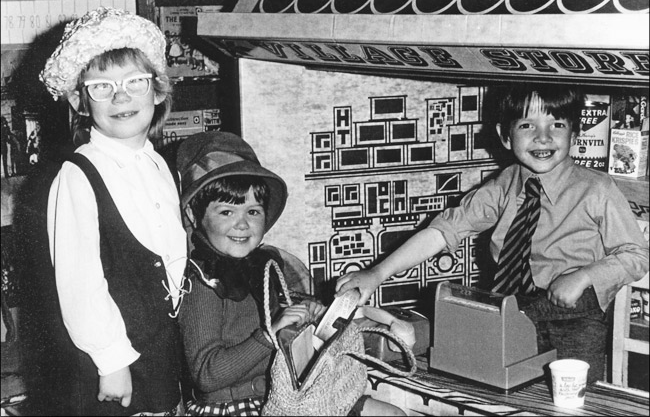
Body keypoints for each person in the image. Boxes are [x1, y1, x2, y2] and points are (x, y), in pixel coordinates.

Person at [336, 84, 649, 384]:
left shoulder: (598, 189)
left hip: (573, 317)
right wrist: (376, 273)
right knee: (498, 389)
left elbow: (636, 256)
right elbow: (443, 231)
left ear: (575, 135)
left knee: (569, 398)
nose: (543, 137)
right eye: (527, 125)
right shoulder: (504, 185)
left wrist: (585, 277)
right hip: (509, 305)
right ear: (505, 136)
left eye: (557, 125)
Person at [177, 131, 406, 416]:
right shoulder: (202, 282)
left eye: (253, 211)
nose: (242, 224)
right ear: (192, 215)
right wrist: (270, 334)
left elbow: (276, 331)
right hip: (234, 406)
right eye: (226, 212)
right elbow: (207, 375)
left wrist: (301, 315)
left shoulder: (262, 265)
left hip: (281, 393)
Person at [41, 7, 188, 415]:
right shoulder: (78, 175)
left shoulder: (159, 164)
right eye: (101, 87)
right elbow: (79, 281)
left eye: (134, 83)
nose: (120, 97)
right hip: (114, 364)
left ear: (158, 92)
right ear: (80, 101)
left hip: (160, 347)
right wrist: (110, 360)